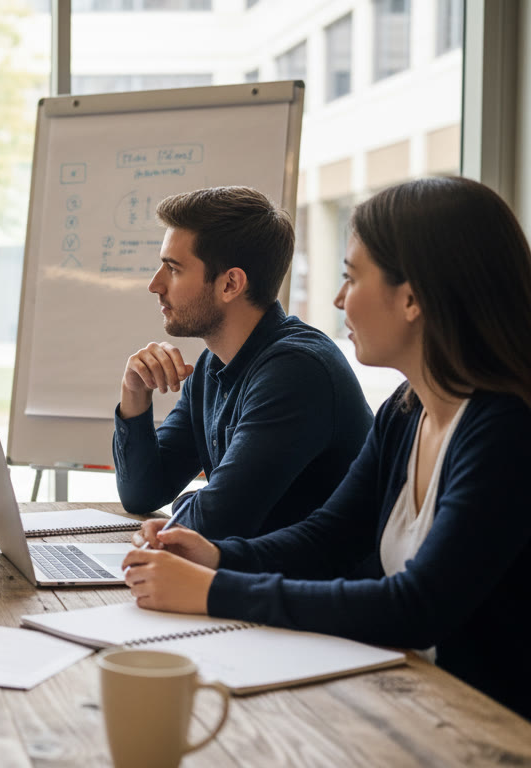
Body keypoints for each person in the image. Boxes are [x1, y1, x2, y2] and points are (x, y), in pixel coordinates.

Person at [122, 176, 531, 720]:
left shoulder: (504, 429)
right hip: (408, 690)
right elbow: (327, 537)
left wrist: (213, 589)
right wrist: (215, 557)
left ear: (412, 299)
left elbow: (417, 607)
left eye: (351, 278)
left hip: (484, 724)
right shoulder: (406, 412)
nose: (338, 300)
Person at [113, 186, 372, 539]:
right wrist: (134, 395)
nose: (155, 285)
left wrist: (195, 503)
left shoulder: (296, 370)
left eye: (173, 269)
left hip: (310, 589)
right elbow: (142, 493)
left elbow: (215, 523)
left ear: (230, 284)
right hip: (254, 582)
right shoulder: (212, 367)